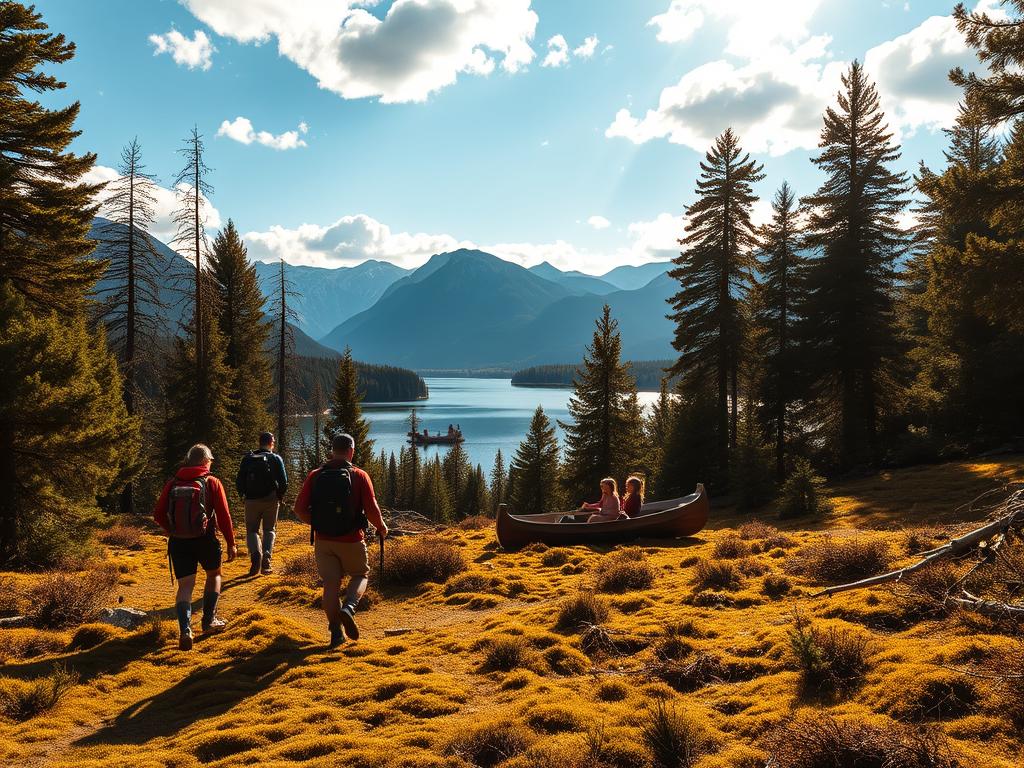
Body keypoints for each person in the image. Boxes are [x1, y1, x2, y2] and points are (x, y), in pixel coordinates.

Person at [293, 433, 388, 649]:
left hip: (323, 541)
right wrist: (381, 527)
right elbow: (371, 508)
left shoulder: (316, 475)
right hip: (352, 539)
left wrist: (318, 523)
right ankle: (349, 608)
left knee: (330, 584)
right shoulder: (359, 475)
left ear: (332, 451)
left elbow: (298, 509)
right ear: (351, 451)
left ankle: (335, 632)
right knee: (360, 574)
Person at [154, 443, 237, 651]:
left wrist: (171, 529)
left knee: (185, 587)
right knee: (215, 576)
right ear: (206, 461)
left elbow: (158, 514)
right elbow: (224, 516)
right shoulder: (211, 482)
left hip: (179, 542)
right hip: (205, 540)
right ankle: (209, 621)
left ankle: (185, 630)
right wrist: (231, 543)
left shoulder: (173, 483)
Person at [236, 431, 288, 576]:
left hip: (251, 500)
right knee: (269, 529)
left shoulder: (248, 459)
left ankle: (255, 555)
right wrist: (279, 495)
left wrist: (243, 495)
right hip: (271, 499)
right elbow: (284, 481)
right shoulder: (276, 458)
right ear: (272, 443)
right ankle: (266, 557)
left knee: (252, 531)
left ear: (259, 442)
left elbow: (239, 480)